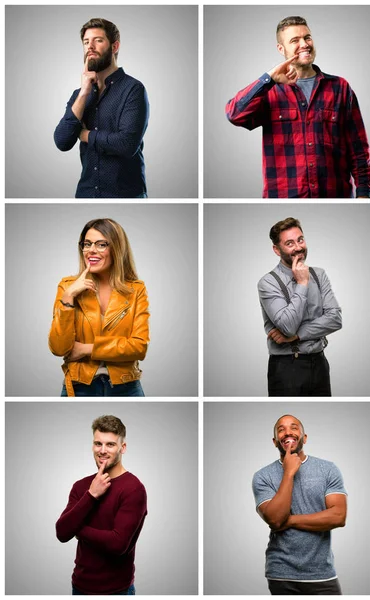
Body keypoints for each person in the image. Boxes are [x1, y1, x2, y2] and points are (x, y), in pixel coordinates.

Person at [226, 16, 370, 198]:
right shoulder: (269, 92)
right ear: (281, 49)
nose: (304, 44)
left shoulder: (339, 88)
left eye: (307, 37)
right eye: (295, 40)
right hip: (283, 197)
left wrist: (363, 193)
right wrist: (269, 78)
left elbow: (358, 149)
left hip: (335, 196)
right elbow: (235, 114)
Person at [49, 218, 150, 396]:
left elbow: (139, 347)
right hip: (79, 385)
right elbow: (59, 348)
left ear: (117, 248)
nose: (91, 250)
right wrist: (68, 298)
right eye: (87, 244)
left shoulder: (136, 289)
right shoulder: (67, 287)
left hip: (127, 385)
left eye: (101, 244)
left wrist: (86, 349)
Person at [54, 18, 149, 198]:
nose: (90, 46)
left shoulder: (133, 89)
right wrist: (84, 93)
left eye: (98, 40)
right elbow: (62, 141)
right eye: (86, 42)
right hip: (85, 193)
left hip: (125, 196)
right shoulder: (79, 94)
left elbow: (127, 144)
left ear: (114, 47)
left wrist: (85, 135)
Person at [252, 414, 347, 595]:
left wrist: (289, 521)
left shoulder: (328, 469)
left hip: (322, 573)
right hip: (281, 574)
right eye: (281, 429)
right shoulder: (262, 476)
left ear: (304, 437)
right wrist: (288, 472)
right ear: (274, 441)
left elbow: (338, 516)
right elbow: (274, 519)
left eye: (294, 427)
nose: (288, 432)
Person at [56, 415, 148, 595]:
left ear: (123, 448)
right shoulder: (82, 486)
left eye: (110, 444)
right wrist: (91, 495)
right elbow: (61, 532)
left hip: (117, 591)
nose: (102, 450)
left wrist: (77, 528)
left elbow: (118, 544)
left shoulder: (134, 489)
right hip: (80, 587)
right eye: (98, 443)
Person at [257, 217, 342, 396]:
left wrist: (296, 336)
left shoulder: (319, 274)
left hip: (319, 363)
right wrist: (302, 283)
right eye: (289, 243)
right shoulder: (267, 283)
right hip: (287, 367)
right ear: (276, 250)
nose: (298, 247)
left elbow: (335, 319)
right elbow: (287, 326)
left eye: (300, 240)